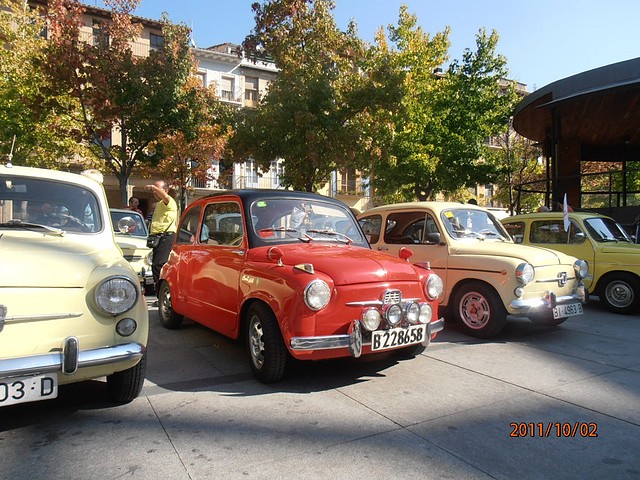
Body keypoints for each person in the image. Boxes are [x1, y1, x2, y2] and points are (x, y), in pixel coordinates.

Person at [146, 180, 178, 295]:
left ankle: (163, 293)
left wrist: (153, 187)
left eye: (157, 189)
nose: (155, 191)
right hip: (158, 237)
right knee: (155, 264)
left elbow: (164, 196)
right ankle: (159, 292)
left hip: (165, 236)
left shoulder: (169, 201)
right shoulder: (159, 204)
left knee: (159, 264)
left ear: (166, 190)